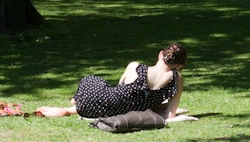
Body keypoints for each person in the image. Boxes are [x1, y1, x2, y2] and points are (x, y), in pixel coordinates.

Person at [35, 44, 197, 123]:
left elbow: (121, 91)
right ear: (180, 66)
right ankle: (73, 106)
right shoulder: (177, 79)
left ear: (160, 54)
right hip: (104, 110)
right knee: (108, 93)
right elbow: (170, 114)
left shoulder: (135, 66)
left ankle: (76, 100)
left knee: (93, 80)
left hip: (99, 103)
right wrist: (164, 108)